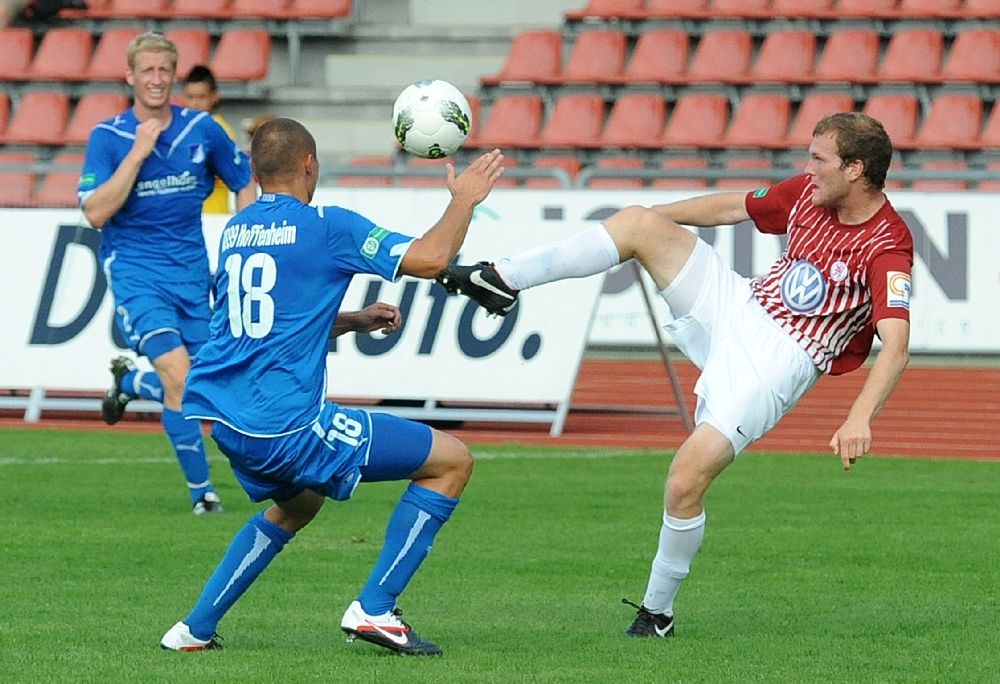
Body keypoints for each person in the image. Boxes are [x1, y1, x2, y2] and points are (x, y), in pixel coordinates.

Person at [438, 112, 912, 638]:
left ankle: (656, 611)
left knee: (685, 481)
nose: (808, 167)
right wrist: (650, 217)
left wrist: (859, 419)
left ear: (855, 169)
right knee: (639, 224)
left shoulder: (887, 244)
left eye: (819, 159)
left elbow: (896, 346)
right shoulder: (807, 191)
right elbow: (734, 205)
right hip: (740, 303)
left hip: (780, 361)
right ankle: (501, 278)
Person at [158, 118, 505, 655]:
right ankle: (376, 609)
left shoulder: (238, 229)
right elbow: (431, 259)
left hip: (227, 421)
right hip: (288, 426)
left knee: (298, 506)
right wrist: (465, 200)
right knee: (452, 459)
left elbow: (259, 323)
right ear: (309, 165)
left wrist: (350, 320)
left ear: (253, 171)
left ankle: (193, 630)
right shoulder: (327, 226)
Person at [80, 32, 257, 515]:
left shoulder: (201, 129)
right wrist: (138, 154)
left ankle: (132, 385)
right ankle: (203, 494)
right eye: (148, 71)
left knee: (208, 388)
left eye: (164, 70)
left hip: (194, 277)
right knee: (180, 379)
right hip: (137, 275)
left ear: (173, 75)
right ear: (130, 76)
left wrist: (243, 240)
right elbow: (95, 213)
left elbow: (244, 182)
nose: (156, 79)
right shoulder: (109, 137)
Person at [182, 64, 239, 215]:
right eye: (190, 97)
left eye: (201, 97)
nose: (194, 103)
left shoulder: (221, 130)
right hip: (188, 217)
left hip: (213, 215)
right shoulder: (182, 130)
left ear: (214, 96)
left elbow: (227, 172)